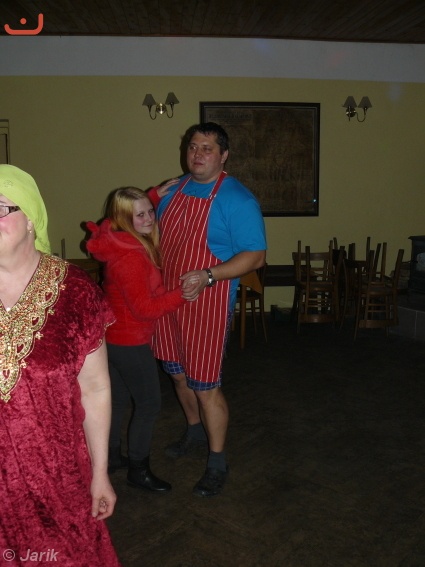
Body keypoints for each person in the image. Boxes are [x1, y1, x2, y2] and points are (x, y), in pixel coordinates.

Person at [0, 164, 121, 566]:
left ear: (31, 219)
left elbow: (95, 388)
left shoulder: (75, 291)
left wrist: (100, 472)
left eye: (0, 208)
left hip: (57, 478)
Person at [150, 122, 267, 497]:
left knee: (205, 386)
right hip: (168, 301)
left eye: (207, 148)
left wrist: (209, 275)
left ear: (223, 155)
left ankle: (217, 461)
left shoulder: (237, 199)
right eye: (192, 146)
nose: (197, 154)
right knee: (177, 375)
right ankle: (194, 430)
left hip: (207, 305)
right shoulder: (173, 190)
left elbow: (256, 256)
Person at [86, 185, 188, 493]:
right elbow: (145, 309)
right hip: (129, 341)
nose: (149, 219)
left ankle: (111, 457)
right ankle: (138, 470)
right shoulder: (131, 257)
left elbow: (122, 215)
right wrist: (183, 294)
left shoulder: (117, 240)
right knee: (149, 405)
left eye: (150, 212)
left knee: (117, 401)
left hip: (112, 337)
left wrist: (152, 195)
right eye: (139, 215)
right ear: (124, 220)